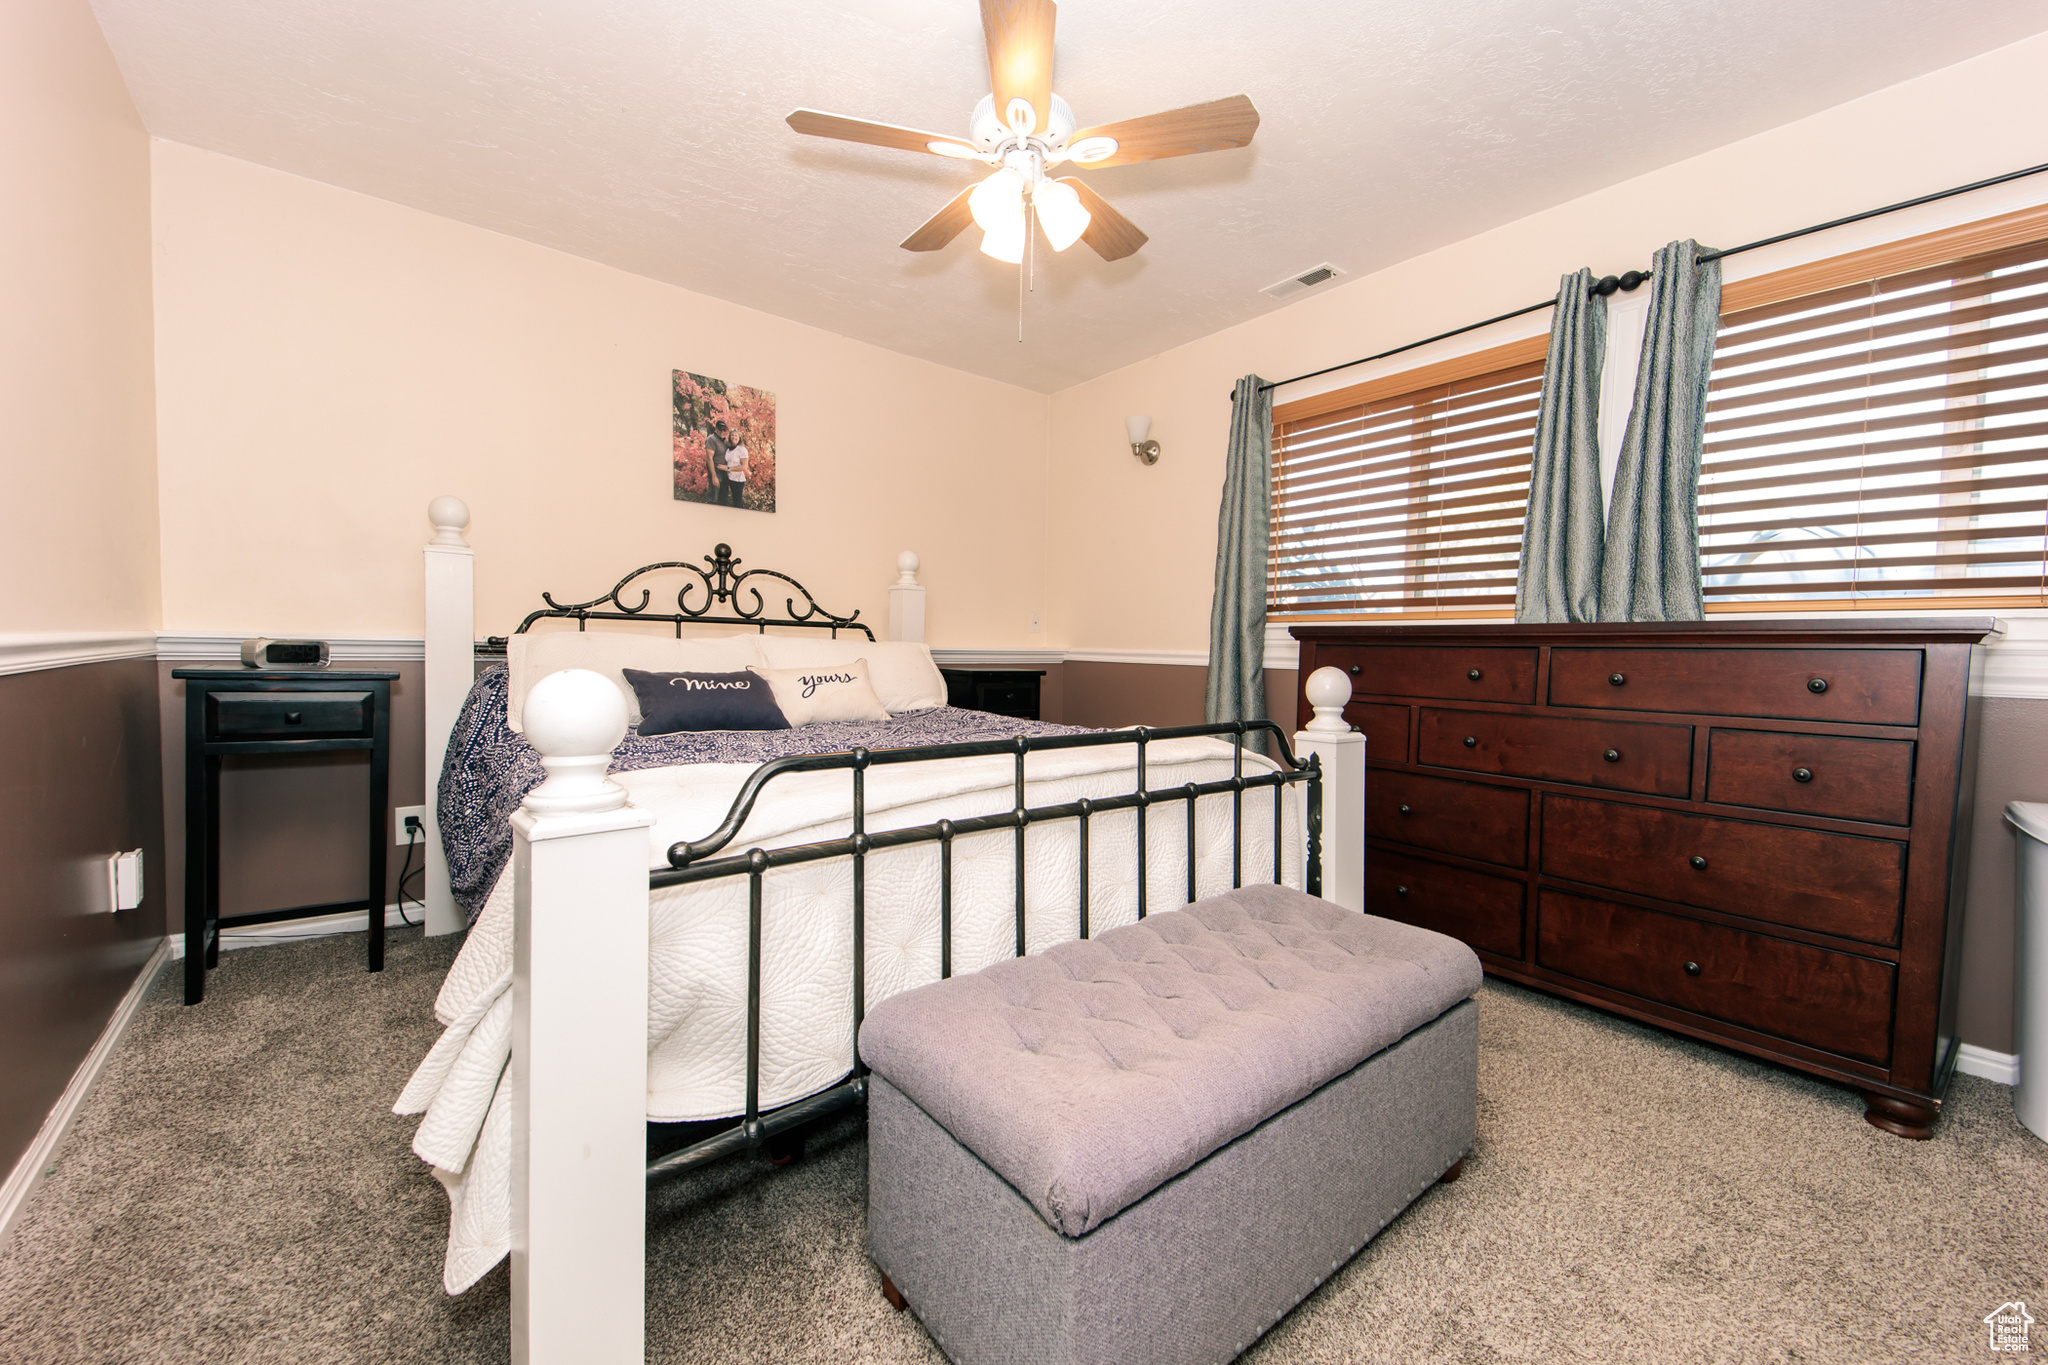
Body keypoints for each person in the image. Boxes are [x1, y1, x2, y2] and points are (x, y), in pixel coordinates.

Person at [703, 420, 731, 504]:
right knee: (713, 498)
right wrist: (714, 476)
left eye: (724, 429)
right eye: (720, 429)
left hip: (725, 472)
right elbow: (709, 458)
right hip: (716, 471)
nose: (722, 431)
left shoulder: (725, 442)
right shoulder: (711, 439)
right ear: (716, 429)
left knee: (724, 499)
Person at [722, 431, 751, 509]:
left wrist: (728, 469)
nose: (734, 437)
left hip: (738, 480)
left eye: (736, 436)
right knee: (731, 501)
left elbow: (744, 467)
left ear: (739, 438)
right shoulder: (728, 449)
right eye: (732, 435)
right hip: (729, 478)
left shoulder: (742, 450)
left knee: (737, 503)